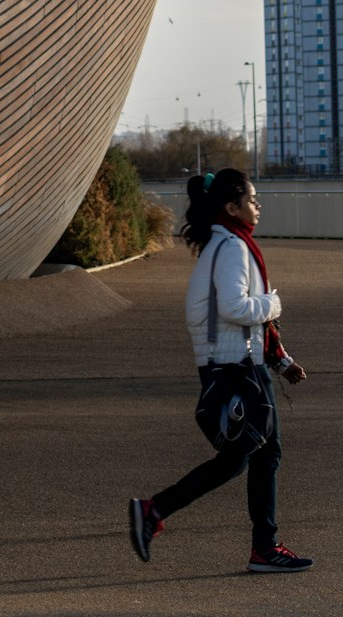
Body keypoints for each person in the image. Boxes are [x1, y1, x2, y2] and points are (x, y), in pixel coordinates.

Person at [129, 168, 312, 572]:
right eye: (252, 200)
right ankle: (155, 509)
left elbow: (222, 313)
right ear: (232, 207)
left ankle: (263, 547)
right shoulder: (232, 247)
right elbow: (236, 308)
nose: (257, 206)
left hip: (232, 362)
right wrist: (275, 304)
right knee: (240, 458)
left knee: (263, 455)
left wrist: (280, 361)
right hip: (237, 367)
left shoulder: (224, 243)